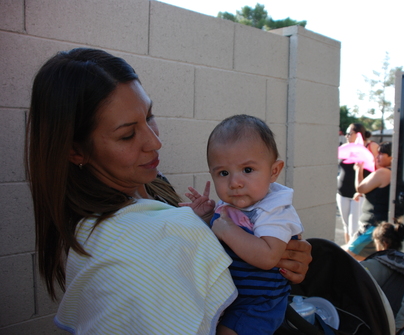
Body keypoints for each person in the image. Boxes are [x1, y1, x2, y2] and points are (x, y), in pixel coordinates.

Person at [25, 48, 312, 334]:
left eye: (149, 116)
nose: (155, 142)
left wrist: (287, 258)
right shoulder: (125, 240)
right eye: (127, 134)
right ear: (76, 151)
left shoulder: (152, 184)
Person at [182, 114, 303, 335]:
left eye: (247, 170)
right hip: (229, 295)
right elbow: (215, 239)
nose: (234, 182)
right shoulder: (230, 204)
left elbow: (268, 257)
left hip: (258, 304)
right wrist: (208, 217)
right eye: (223, 173)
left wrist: (227, 230)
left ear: (274, 171)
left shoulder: (275, 210)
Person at [346, 141, 392, 260]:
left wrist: (358, 169)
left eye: (382, 153)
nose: (377, 157)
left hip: (372, 227)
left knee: (346, 258)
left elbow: (361, 187)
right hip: (377, 227)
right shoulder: (393, 173)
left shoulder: (383, 172)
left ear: (392, 156)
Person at [336, 123, 374, 243]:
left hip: (358, 194)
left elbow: (376, 167)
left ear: (358, 134)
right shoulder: (344, 148)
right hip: (342, 192)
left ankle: (353, 257)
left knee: (355, 227)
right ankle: (347, 254)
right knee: (346, 225)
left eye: (349, 133)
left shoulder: (369, 147)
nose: (346, 136)